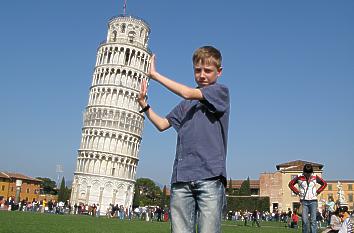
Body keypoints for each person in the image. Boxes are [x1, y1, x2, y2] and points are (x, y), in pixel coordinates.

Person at [138, 46, 230, 233]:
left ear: (219, 72)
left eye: (208, 70)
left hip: (210, 177)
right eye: (198, 70)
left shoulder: (220, 92)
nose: (202, 75)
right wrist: (145, 106)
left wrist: (155, 75)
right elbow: (163, 124)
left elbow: (187, 92)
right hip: (181, 179)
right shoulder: (185, 105)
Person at [288, 163, 327, 233]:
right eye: (307, 173)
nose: (308, 175)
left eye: (310, 173)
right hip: (304, 201)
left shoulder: (315, 177)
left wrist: (318, 191)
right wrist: (297, 192)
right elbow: (290, 184)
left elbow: (324, 184)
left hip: (313, 201)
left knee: (313, 221)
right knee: (305, 221)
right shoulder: (299, 177)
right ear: (304, 172)